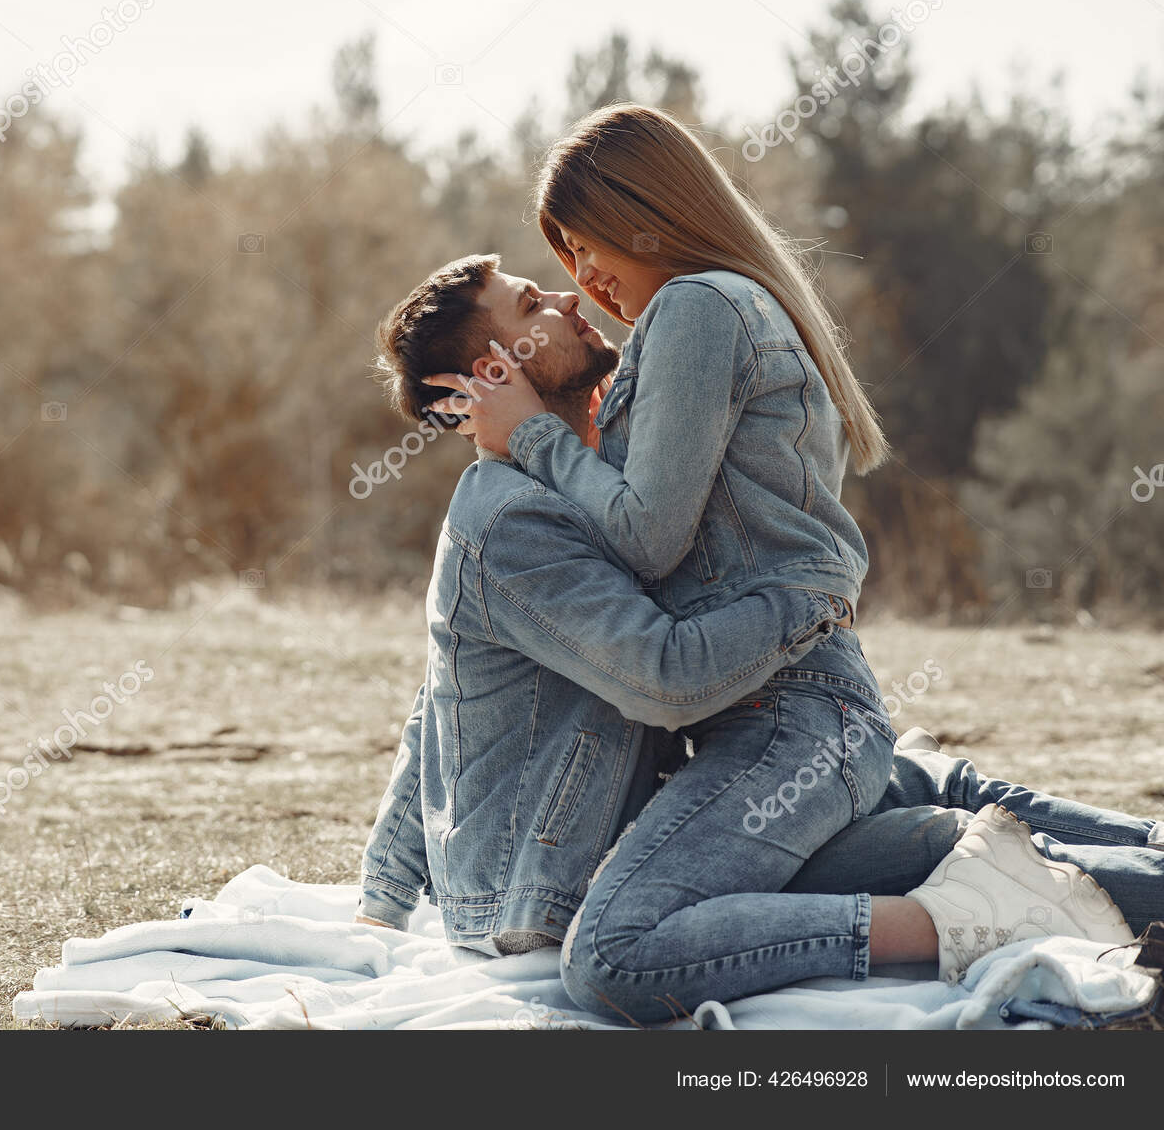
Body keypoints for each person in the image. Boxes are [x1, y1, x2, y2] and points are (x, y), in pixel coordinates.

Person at [359, 252, 1149, 1023]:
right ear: (488, 376)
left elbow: (438, 702)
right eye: (533, 305)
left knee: (920, 813)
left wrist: (379, 896)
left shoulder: (581, 478)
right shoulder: (512, 522)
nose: (569, 299)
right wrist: (807, 599)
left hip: (629, 833)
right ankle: (982, 913)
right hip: (552, 884)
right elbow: (662, 677)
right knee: (927, 836)